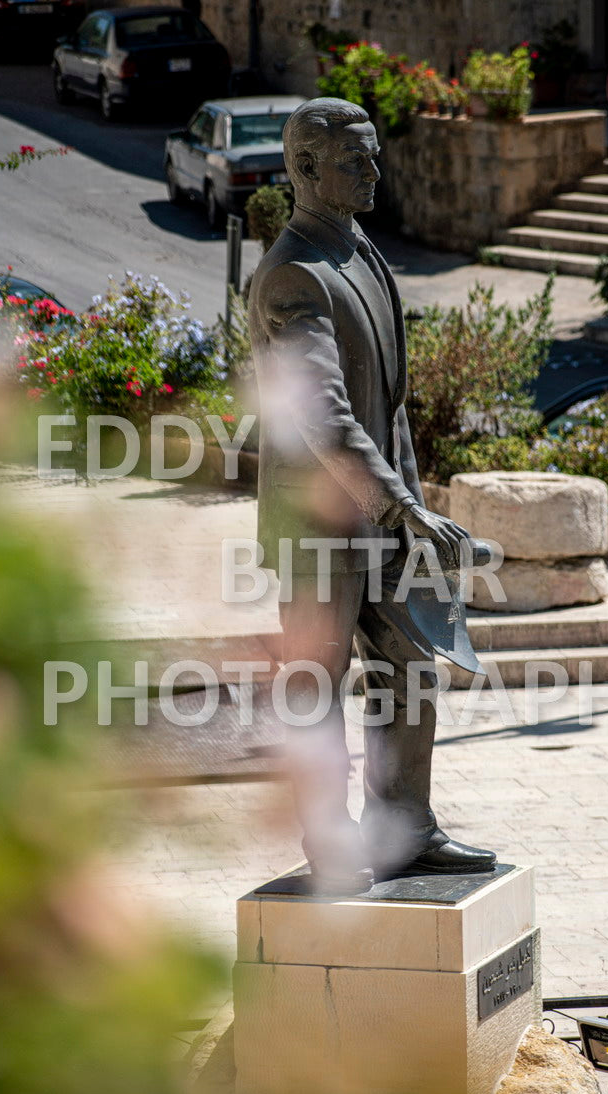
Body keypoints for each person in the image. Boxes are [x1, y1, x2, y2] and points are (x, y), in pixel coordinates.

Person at [248, 97, 497, 893]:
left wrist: (405, 508)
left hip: (384, 516)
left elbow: (385, 410)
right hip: (318, 522)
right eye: (356, 159)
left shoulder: (361, 252)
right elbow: (325, 415)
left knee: (409, 668)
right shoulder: (292, 273)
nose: (374, 170)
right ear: (305, 169)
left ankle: (404, 830)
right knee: (315, 687)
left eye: (372, 154)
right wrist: (401, 507)